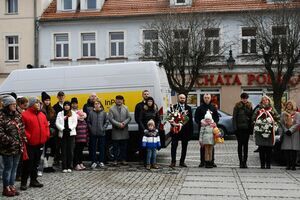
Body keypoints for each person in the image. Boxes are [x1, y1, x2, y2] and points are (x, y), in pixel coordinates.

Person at [21, 97, 50, 191]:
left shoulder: (42, 114)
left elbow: (46, 126)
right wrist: (29, 137)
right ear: (32, 104)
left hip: (40, 143)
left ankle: (33, 180)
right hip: (30, 144)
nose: (39, 104)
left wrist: (46, 135)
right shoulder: (25, 115)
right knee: (28, 164)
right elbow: (22, 129)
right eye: (37, 103)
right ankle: (24, 182)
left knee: (36, 163)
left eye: (39, 103)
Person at [0, 95, 26, 197]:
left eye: (15, 104)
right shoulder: (1, 116)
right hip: (7, 148)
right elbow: (0, 133)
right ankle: (6, 188)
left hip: (18, 147)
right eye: (12, 104)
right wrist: (11, 141)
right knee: (8, 168)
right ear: (7, 105)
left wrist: (23, 138)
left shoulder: (17, 115)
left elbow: (22, 127)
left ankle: (12, 186)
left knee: (14, 168)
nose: (15, 106)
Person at [252, 95, 279, 169]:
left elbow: (277, 117)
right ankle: (262, 164)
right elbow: (253, 118)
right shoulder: (258, 109)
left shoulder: (272, 109)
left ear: (269, 101)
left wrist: (274, 121)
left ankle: (268, 164)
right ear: (261, 101)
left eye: (266, 100)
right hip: (260, 131)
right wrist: (257, 122)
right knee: (261, 148)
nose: (265, 101)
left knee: (269, 149)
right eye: (263, 100)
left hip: (270, 131)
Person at [194, 94, 219, 167]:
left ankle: (211, 161)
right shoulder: (199, 108)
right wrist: (201, 123)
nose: (206, 99)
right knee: (202, 146)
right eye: (205, 98)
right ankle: (202, 161)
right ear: (203, 98)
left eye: (208, 98)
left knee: (211, 146)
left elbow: (217, 118)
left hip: (211, 130)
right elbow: (196, 118)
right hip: (203, 130)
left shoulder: (213, 107)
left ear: (210, 98)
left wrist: (215, 123)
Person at [169, 94, 193, 168]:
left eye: (183, 98)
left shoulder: (188, 108)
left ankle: (182, 162)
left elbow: (190, 120)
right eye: (181, 98)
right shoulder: (174, 107)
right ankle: (173, 162)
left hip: (185, 131)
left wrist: (190, 132)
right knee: (174, 146)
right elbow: (170, 117)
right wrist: (173, 124)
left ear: (185, 99)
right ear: (178, 98)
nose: (182, 99)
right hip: (176, 130)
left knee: (184, 147)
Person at [108, 95, 131, 166]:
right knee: (115, 147)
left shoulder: (126, 107)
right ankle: (115, 160)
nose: (119, 101)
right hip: (116, 130)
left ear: (123, 100)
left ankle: (123, 160)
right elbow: (111, 119)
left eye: (120, 99)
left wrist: (124, 123)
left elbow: (129, 117)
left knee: (124, 147)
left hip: (124, 130)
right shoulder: (111, 108)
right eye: (118, 99)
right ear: (115, 100)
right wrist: (118, 124)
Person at [55, 101, 78, 173]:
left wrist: (70, 128)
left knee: (70, 151)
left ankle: (69, 166)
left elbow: (75, 122)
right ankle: (64, 166)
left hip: (71, 134)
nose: (66, 106)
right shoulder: (60, 113)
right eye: (65, 105)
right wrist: (62, 129)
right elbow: (57, 123)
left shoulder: (73, 113)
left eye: (68, 105)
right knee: (63, 151)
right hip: (63, 134)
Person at [232, 93, 253, 168]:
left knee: (246, 146)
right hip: (239, 129)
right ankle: (241, 162)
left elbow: (251, 117)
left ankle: (245, 162)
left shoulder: (249, 106)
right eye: (243, 98)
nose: (244, 99)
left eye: (246, 98)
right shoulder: (237, 106)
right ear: (241, 98)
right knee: (240, 145)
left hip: (246, 129)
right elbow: (234, 117)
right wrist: (235, 128)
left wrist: (251, 128)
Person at [138, 96, 160, 166]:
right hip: (145, 131)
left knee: (153, 148)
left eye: (151, 101)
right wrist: (144, 129)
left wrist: (157, 128)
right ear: (146, 102)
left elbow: (158, 120)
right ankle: (146, 163)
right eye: (148, 101)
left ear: (153, 102)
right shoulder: (143, 110)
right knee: (145, 148)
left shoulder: (155, 110)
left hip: (153, 130)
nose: (150, 102)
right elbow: (140, 120)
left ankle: (153, 163)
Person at [87, 99, 108, 169]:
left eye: (98, 104)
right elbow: (88, 122)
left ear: (100, 105)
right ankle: (94, 162)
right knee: (93, 148)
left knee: (102, 148)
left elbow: (106, 122)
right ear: (94, 105)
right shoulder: (91, 113)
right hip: (93, 133)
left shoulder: (104, 113)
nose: (96, 105)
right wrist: (91, 129)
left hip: (102, 133)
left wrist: (103, 128)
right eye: (95, 104)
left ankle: (101, 161)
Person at [280, 100, 300, 170]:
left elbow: (298, 123)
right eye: (288, 104)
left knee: (294, 150)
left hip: (294, 133)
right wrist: (286, 130)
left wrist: (291, 130)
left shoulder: (297, 114)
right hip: (286, 133)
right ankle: (288, 165)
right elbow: (281, 123)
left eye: (290, 105)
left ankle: (293, 165)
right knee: (287, 150)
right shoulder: (283, 114)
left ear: (293, 106)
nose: (289, 106)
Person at [40, 92, 56, 173]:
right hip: (45, 132)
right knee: (45, 150)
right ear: (43, 101)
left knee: (53, 149)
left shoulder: (52, 109)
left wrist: (52, 127)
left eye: (49, 100)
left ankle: (50, 165)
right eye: (46, 100)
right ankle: (45, 166)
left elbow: (54, 120)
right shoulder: (41, 110)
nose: (47, 102)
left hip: (52, 133)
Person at [134, 90, 150, 162]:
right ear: (142, 95)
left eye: (147, 94)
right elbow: (136, 117)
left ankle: (149, 160)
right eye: (145, 94)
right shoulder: (138, 105)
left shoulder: (152, 104)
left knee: (149, 144)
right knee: (142, 144)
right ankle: (142, 160)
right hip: (142, 128)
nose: (146, 95)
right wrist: (142, 126)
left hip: (151, 128)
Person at [52, 91, 65, 166]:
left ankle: (64, 159)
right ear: (57, 97)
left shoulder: (67, 105)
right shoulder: (55, 107)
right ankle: (56, 159)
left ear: (64, 96)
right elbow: (54, 119)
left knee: (64, 146)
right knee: (57, 145)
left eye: (62, 96)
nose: (61, 97)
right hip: (58, 128)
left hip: (66, 128)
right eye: (59, 96)